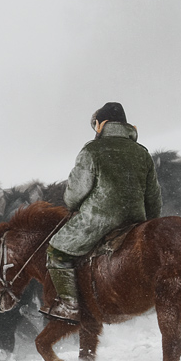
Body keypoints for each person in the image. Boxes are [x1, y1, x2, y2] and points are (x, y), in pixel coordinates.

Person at [44, 102, 162, 324]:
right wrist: (149, 224)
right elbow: (153, 198)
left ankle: (70, 305)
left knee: (56, 251)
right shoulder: (142, 152)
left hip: (98, 221)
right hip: (136, 220)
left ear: (101, 125)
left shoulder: (91, 150)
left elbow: (73, 197)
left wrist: (75, 205)